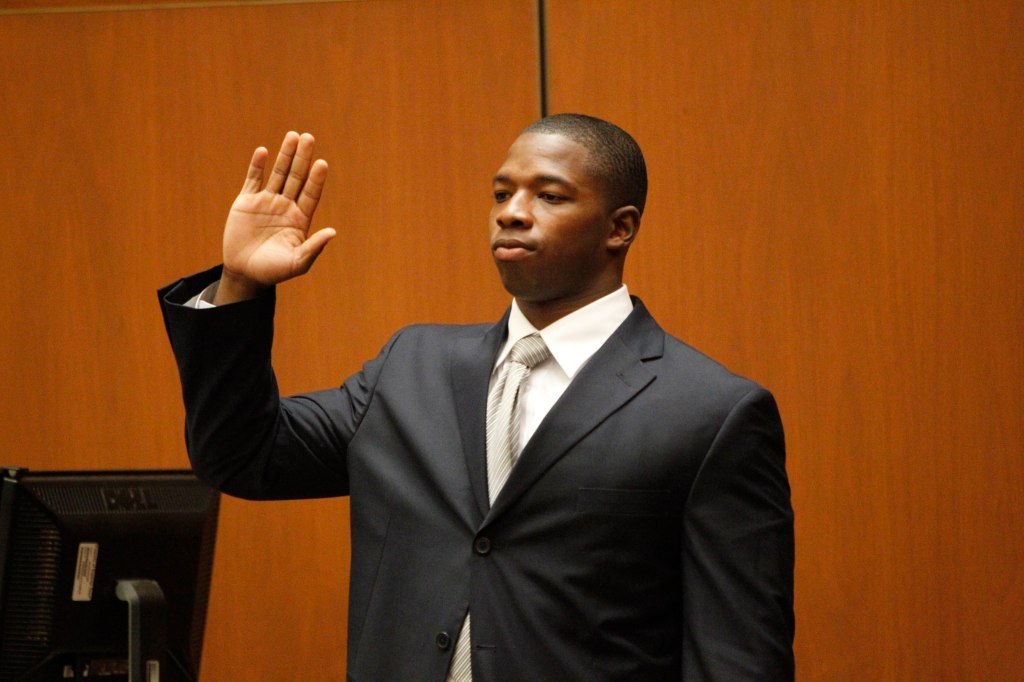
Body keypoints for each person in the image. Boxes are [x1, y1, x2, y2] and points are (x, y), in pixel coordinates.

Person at [159, 114, 794, 680]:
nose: (511, 212)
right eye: (501, 193)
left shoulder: (710, 412)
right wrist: (239, 283)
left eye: (548, 195)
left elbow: (737, 654)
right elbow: (242, 456)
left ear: (619, 228)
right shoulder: (411, 368)